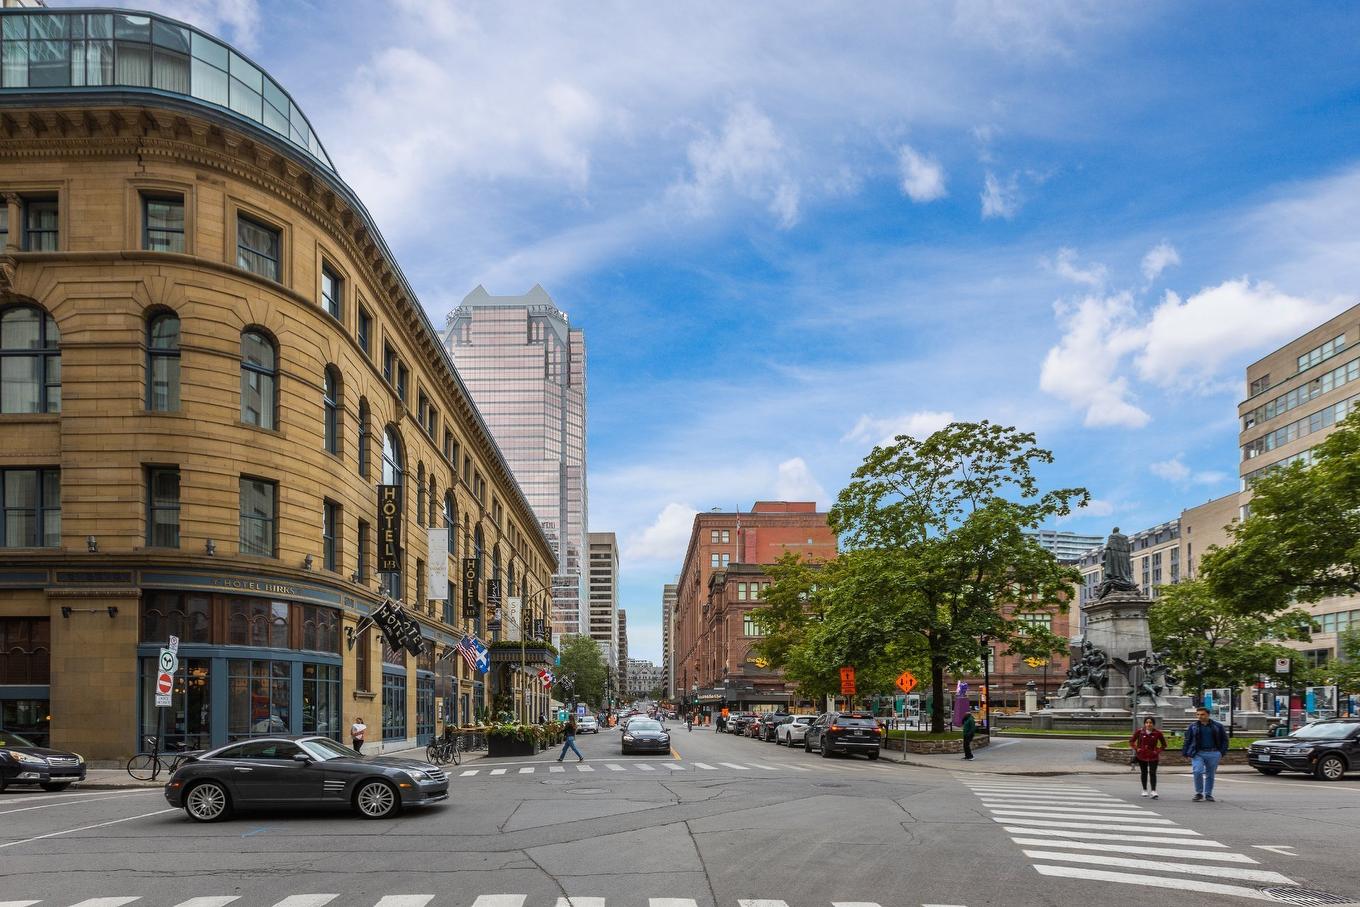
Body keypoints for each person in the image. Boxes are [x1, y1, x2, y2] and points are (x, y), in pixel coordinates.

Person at [1182, 705, 1230, 801]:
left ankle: (1208, 794)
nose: (1200, 716)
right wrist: (1185, 752)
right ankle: (1199, 793)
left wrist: (1221, 752)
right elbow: (1188, 739)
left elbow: (1225, 740)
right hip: (1198, 753)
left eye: (1202, 714)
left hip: (1213, 753)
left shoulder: (1217, 726)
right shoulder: (1193, 726)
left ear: (1208, 715)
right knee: (1197, 771)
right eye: (1198, 714)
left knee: (1210, 774)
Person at [1129, 716, 1167, 799]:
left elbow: (1164, 745)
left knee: (1153, 773)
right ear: (1144, 724)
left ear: (1153, 724)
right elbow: (1131, 741)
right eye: (1147, 723)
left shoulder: (1157, 733)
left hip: (1153, 756)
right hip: (1142, 755)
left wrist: (1157, 751)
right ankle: (1144, 789)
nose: (1148, 724)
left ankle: (1153, 791)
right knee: (1144, 772)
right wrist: (1137, 749)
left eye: (1150, 723)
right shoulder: (1140, 732)